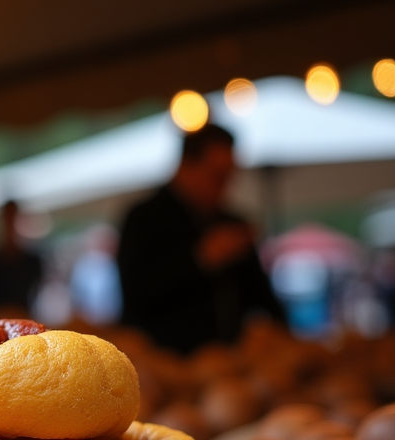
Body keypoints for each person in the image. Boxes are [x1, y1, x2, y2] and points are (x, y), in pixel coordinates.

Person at [116, 124, 284, 354]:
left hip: (228, 361)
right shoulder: (145, 219)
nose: (225, 186)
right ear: (186, 167)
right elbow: (137, 291)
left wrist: (282, 330)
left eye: (229, 176)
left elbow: (262, 296)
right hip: (162, 362)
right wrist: (200, 260)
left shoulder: (230, 222)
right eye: (217, 176)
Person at [0, 200, 42, 312]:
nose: (10, 222)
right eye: (7, 217)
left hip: (25, 317)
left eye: (13, 217)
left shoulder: (34, 260)